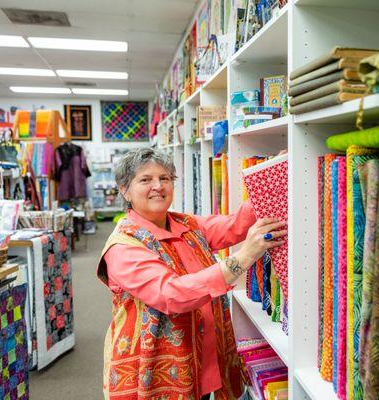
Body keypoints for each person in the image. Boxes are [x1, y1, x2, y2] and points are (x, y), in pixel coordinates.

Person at [97, 148, 286, 399]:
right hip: (158, 369)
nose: (158, 186)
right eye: (145, 180)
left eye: (164, 178)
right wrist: (244, 257)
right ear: (124, 190)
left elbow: (234, 226)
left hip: (206, 357)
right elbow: (172, 294)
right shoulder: (123, 247)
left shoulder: (185, 224)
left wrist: (271, 177)